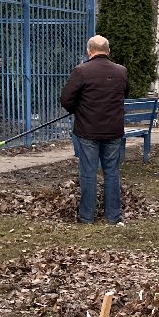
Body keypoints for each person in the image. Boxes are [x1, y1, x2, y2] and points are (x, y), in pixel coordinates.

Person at [60, 35, 129, 224]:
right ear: (108, 51)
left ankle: (87, 216)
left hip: (88, 130)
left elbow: (66, 99)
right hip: (113, 130)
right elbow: (124, 93)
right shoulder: (121, 71)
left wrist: (78, 109)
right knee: (112, 172)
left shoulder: (81, 71)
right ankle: (113, 216)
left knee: (89, 173)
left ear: (89, 51)